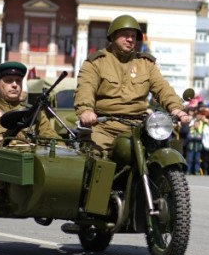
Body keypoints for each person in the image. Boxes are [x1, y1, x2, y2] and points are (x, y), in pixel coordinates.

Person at [75, 15, 190, 154]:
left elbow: (162, 88)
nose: (130, 39)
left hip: (138, 128)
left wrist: (176, 108)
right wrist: (86, 110)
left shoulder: (145, 64)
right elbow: (86, 88)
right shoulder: (96, 62)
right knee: (95, 158)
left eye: (133, 36)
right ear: (113, 36)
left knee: (160, 155)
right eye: (125, 35)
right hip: (103, 127)